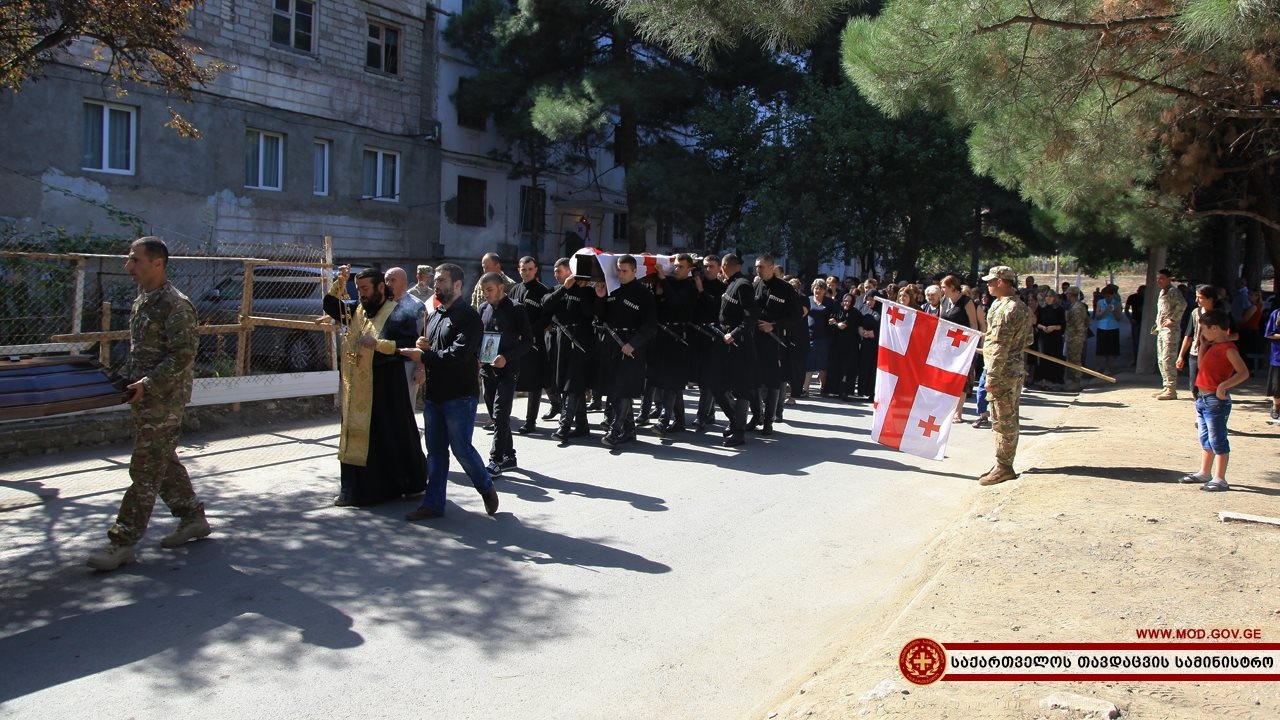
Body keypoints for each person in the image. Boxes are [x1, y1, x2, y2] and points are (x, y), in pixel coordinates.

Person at [87, 237, 210, 571]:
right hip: (143, 397)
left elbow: (183, 356)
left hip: (164, 400)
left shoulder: (176, 305)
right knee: (162, 461)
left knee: (144, 469)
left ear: (157, 263)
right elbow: (142, 350)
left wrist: (149, 383)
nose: (128, 267)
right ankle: (192, 517)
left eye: (134, 260)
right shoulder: (145, 299)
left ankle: (121, 542)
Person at [400, 263, 500, 520]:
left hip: (459, 396)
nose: (436, 284)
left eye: (442, 280)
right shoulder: (435, 314)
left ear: (457, 285)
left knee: (461, 449)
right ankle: (433, 504)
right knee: (435, 451)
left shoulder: (469, 317)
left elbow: (458, 355)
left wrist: (424, 355)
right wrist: (423, 346)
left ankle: (486, 487)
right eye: (435, 280)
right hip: (434, 395)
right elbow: (431, 348)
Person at [323, 266, 427, 507]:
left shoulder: (397, 311)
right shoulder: (358, 309)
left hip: (386, 387)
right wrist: (340, 281)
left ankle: (397, 486)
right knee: (355, 436)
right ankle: (353, 489)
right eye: (358, 289)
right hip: (356, 386)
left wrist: (378, 344)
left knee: (390, 436)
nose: (361, 294)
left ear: (381, 287)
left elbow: (406, 344)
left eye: (366, 289)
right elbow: (331, 306)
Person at [1177, 310, 1249, 492]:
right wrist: (1202, 346)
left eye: (1204, 330)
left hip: (1215, 401)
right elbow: (1202, 367)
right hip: (1203, 400)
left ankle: (1220, 478)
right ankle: (1204, 472)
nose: (1202, 334)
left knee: (1218, 439)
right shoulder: (1213, 347)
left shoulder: (1229, 348)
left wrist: (1223, 386)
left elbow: (1243, 372)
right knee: (1205, 438)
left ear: (1215, 328)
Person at [977, 266, 1033, 487]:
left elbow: (1000, 346)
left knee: (1004, 420)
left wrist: (991, 377)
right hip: (1010, 369)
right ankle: (1002, 461)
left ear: (1002, 281)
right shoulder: (1014, 306)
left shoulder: (1006, 309)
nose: (988, 285)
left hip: (1003, 374)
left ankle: (1004, 467)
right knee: (1001, 418)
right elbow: (1027, 340)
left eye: (991, 281)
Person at [595, 255, 658, 448]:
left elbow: (650, 325)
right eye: (619, 270)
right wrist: (599, 298)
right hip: (613, 344)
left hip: (631, 346)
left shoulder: (644, 294)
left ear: (634, 271)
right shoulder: (612, 289)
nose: (620, 274)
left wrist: (634, 343)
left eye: (624, 271)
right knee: (615, 389)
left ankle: (615, 431)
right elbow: (602, 317)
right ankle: (630, 431)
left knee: (623, 390)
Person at [478, 272, 532, 475]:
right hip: (486, 370)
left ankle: (496, 460)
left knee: (501, 416)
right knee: (495, 416)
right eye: (483, 291)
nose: (486, 295)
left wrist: (506, 358)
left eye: (489, 290)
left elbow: (528, 342)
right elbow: (478, 336)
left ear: (501, 287)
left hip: (508, 371)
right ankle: (510, 456)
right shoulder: (482, 308)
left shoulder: (516, 309)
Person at [542, 258, 598, 441]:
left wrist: (581, 289)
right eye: (555, 272)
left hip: (580, 341)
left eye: (560, 271)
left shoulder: (587, 290)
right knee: (569, 383)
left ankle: (564, 426)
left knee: (571, 384)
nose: (556, 275)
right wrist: (564, 288)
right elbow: (546, 305)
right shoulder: (556, 290)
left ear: (570, 270)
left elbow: (589, 313)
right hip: (561, 341)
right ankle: (582, 425)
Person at [711, 254, 758, 447]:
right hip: (725, 341)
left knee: (740, 389)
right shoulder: (731, 284)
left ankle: (739, 433)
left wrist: (735, 334)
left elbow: (751, 316)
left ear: (724, 267)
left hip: (739, 345)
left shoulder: (743, 285)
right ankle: (735, 420)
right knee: (716, 385)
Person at [753, 255, 803, 428]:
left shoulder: (785, 289)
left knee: (773, 382)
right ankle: (756, 416)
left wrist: (774, 325)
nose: (758, 270)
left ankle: (769, 420)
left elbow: (796, 317)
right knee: (755, 381)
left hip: (776, 342)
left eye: (761, 267)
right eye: (757, 267)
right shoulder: (755, 286)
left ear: (772, 267)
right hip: (756, 341)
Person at [650, 254, 698, 434]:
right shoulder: (669, 284)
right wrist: (657, 292)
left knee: (672, 381)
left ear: (689, 269)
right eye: (675, 266)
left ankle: (664, 421)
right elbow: (657, 309)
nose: (676, 269)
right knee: (670, 382)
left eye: (680, 267)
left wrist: (664, 281)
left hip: (679, 337)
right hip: (662, 336)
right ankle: (679, 421)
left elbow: (677, 303)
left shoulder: (690, 286)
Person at [508, 256, 556, 433]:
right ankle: (503, 417)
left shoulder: (543, 291)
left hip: (534, 343)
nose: (526, 272)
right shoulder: (514, 290)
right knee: (512, 380)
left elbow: (546, 317)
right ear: (518, 270)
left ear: (536, 270)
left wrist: (527, 333)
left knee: (534, 384)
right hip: (516, 344)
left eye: (529, 269)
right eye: (523, 269)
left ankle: (530, 421)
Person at [384, 267, 427, 414]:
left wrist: (420, 367)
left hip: (406, 365)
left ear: (404, 283)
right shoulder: (381, 305)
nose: (388, 283)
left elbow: (423, 339)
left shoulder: (417, 306)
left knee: (405, 410)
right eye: (386, 280)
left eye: (393, 280)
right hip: (383, 363)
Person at [691, 254, 726, 429]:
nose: (707, 269)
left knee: (707, 380)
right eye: (705, 266)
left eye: (711, 266)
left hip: (712, 338)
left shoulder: (723, 288)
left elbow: (716, 311)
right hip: (696, 337)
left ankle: (702, 415)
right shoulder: (697, 283)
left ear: (719, 268)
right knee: (700, 379)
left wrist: (701, 292)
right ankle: (710, 412)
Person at [941, 274, 982, 421]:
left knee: (962, 377)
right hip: (947, 345)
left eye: (944, 287)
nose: (942, 290)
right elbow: (941, 322)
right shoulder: (944, 301)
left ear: (952, 287)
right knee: (948, 377)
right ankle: (948, 409)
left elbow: (973, 324)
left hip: (962, 345)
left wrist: (972, 344)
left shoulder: (966, 301)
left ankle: (958, 412)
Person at [1176, 285, 1224, 399]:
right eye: (1196, 297)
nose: (1196, 300)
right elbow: (1189, 335)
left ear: (1211, 299)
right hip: (1195, 352)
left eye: (1200, 297)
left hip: (1214, 353)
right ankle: (1199, 405)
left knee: (1211, 385)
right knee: (1194, 387)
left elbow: (1234, 335)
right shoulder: (1195, 313)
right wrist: (1181, 355)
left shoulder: (1220, 314)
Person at [1151, 268, 1187, 400]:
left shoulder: (1173, 291)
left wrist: (1172, 319)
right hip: (1161, 329)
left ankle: (1171, 388)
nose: (1159, 281)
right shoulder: (1162, 292)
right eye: (1158, 278)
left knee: (1168, 358)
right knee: (1161, 359)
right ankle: (1166, 386)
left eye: (1162, 278)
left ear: (1168, 279)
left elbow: (1182, 304)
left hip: (1170, 331)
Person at [807, 279, 837, 398]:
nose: (817, 290)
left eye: (820, 288)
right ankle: (805, 388)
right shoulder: (808, 300)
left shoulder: (830, 302)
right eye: (815, 288)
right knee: (808, 363)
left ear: (825, 290)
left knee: (822, 364)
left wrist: (833, 320)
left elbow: (835, 315)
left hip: (824, 337)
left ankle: (823, 388)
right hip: (810, 335)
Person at [1034, 289, 1067, 389]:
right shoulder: (1042, 309)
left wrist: (1053, 327)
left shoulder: (1060, 309)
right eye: (1047, 296)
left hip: (1055, 338)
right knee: (1044, 359)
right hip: (1044, 337)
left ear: (1054, 297)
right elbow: (1037, 323)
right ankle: (1044, 381)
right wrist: (1043, 327)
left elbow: (1062, 325)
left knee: (1055, 358)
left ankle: (1053, 381)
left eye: (1050, 296)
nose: (1048, 298)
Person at [1063, 286, 1090, 392]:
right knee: (1072, 359)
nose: (1067, 296)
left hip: (1075, 338)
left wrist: (1077, 336)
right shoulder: (1076, 306)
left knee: (1075, 360)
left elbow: (1079, 325)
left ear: (1071, 294)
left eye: (1068, 294)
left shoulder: (1077, 308)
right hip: (1072, 336)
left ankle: (1076, 382)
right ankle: (1074, 381)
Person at [1092, 284, 1122, 376]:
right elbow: (1097, 316)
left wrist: (1115, 310)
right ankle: (1098, 367)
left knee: (1111, 350)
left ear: (1113, 295)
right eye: (1105, 295)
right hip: (1102, 327)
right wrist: (1105, 309)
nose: (1107, 297)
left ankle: (1108, 368)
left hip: (1113, 327)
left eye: (1109, 295)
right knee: (1100, 350)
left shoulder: (1116, 303)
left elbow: (1119, 317)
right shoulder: (1100, 302)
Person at [1264, 302, 1280, 420]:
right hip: (1278, 357)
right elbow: (1269, 334)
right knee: (1276, 386)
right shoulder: (1276, 313)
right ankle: (1276, 406)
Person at [1125, 283, 1145, 365]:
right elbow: (1126, 309)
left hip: (1146, 322)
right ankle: (1136, 360)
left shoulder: (1148, 298)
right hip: (1136, 321)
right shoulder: (1132, 297)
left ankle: (1143, 360)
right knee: (1136, 342)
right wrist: (1130, 319)